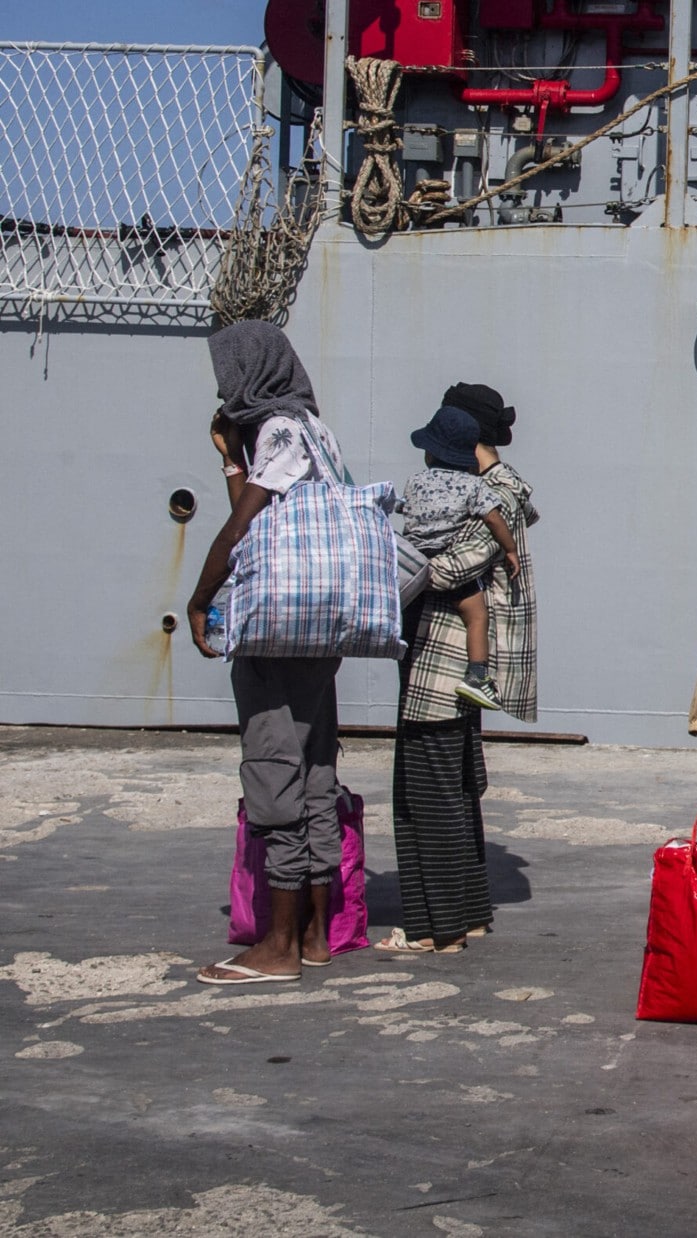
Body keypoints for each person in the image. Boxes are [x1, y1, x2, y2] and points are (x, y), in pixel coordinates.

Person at [185, 321, 350, 985]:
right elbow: (260, 506)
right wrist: (232, 456)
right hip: (322, 623)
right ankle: (311, 933)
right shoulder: (316, 429)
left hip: (278, 625)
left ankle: (277, 946)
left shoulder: (279, 428)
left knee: (272, 765)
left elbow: (241, 528)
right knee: (313, 768)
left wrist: (201, 599)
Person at [380, 382, 543, 954]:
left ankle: (438, 927)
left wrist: (394, 559)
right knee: (452, 787)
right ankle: (465, 914)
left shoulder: (492, 493)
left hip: (442, 664)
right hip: (454, 664)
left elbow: (446, 570)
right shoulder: (487, 490)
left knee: (427, 792)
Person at [398, 404, 519, 712]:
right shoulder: (473, 485)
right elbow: (493, 519)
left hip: (413, 563)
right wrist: (510, 549)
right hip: (450, 563)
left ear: (428, 453)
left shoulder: (414, 482)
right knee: (477, 617)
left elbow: (405, 511)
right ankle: (477, 677)